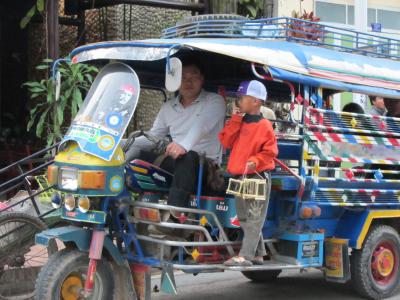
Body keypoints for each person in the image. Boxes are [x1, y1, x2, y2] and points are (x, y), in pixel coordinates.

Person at [125, 57, 226, 207]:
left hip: (205, 168)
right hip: (175, 163)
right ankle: (117, 206)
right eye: (183, 77)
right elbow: (154, 136)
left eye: (193, 76)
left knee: (189, 156)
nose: (188, 82)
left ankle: (175, 213)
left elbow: (201, 126)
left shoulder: (215, 101)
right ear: (176, 80)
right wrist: (121, 144)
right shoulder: (168, 107)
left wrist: (183, 146)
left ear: (202, 79)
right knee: (134, 152)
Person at [219, 80, 278, 266]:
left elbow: (271, 151)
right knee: (244, 217)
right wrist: (235, 119)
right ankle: (258, 253)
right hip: (239, 175)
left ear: (256, 101)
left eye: (242, 97)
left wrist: (256, 161)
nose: (238, 101)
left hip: (257, 176)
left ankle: (245, 255)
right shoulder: (238, 121)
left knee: (254, 217)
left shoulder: (265, 125)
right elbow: (225, 142)